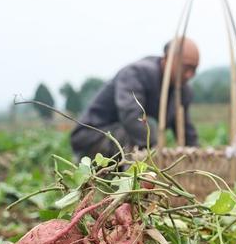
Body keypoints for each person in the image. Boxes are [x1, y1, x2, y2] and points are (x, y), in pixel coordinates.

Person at [70, 38, 200, 160]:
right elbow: (131, 116)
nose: (190, 75)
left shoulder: (183, 91)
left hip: (123, 138)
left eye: (194, 69)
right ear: (167, 59)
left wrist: (196, 156)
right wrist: (155, 155)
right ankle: (132, 181)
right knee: (143, 130)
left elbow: (186, 131)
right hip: (93, 136)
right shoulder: (136, 74)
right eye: (186, 67)